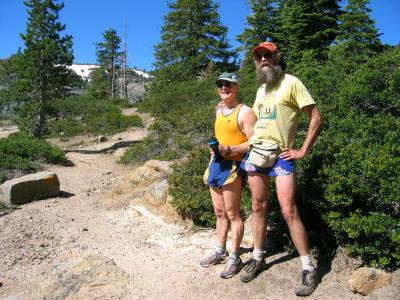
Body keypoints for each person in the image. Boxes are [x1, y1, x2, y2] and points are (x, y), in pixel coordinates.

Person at [239, 42, 323, 297]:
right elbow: (253, 121)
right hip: (256, 154)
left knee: (288, 210)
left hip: (281, 155)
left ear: (277, 57)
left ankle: (308, 268)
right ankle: (259, 257)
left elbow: (316, 117)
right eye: (258, 56)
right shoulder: (262, 89)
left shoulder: (291, 83)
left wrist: (303, 149)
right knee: (257, 206)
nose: (263, 59)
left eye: (267, 55)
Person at [200, 72, 257, 279]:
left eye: (228, 84)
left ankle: (235, 257)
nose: (224, 88)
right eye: (220, 84)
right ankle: (220, 250)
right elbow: (217, 142)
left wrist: (231, 149)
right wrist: (209, 166)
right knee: (219, 212)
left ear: (237, 87)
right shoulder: (219, 111)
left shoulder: (245, 112)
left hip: (233, 166)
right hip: (216, 166)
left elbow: (254, 141)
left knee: (233, 214)